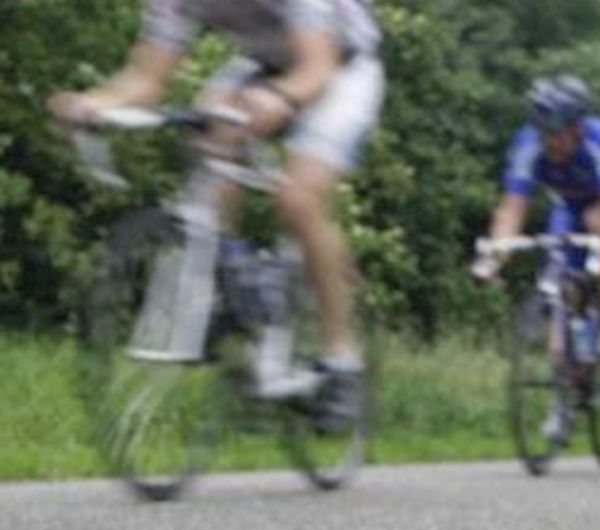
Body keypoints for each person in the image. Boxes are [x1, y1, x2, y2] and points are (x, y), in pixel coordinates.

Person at [49, 0, 386, 427]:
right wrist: (92, 104)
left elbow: (317, 68)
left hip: (343, 69)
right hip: (265, 64)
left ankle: (343, 362)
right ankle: (230, 274)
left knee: (299, 199)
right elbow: (147, 80)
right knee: (209, 129)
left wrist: (280, 98)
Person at [474, 75, 600, 361]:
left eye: (554, 133)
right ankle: (567, 387)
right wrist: (494, 256)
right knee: (561, 286)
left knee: (597, 224)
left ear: (577, 128)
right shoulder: (529, 144)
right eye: (542, 133)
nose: (548, 142)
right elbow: (513, 206)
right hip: (568, 207)